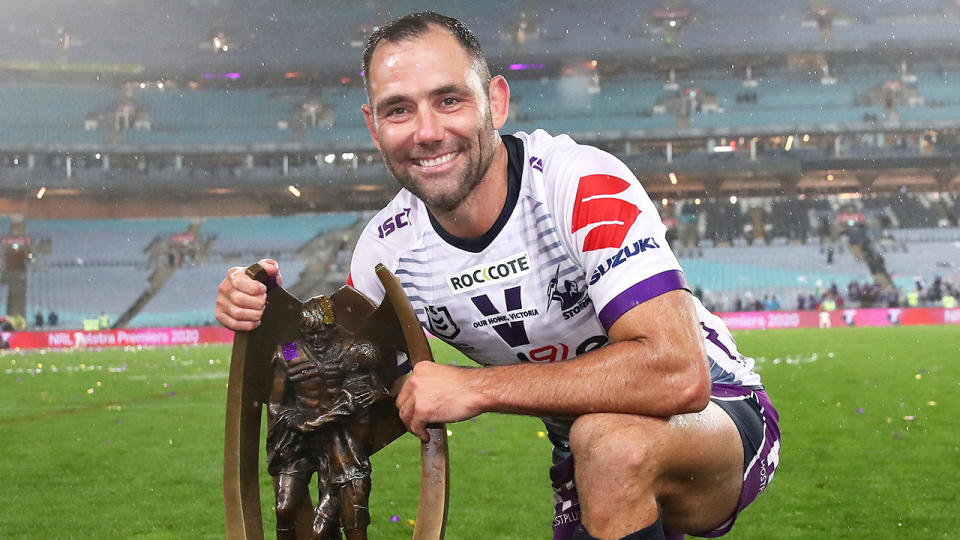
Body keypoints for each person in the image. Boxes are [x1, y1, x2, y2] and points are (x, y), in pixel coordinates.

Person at [216, 12, 779, 540]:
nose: (428, 131)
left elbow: (678, 373)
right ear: (373, 126)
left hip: (712, 416)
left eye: (449, 99)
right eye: (399, 110)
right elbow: (339, 383)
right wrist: (265, 322)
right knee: (597, 443)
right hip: (581, 449)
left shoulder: (579, 183)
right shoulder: (387, 249)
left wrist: (475, 387)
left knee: (609, 442)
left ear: (497, 101)